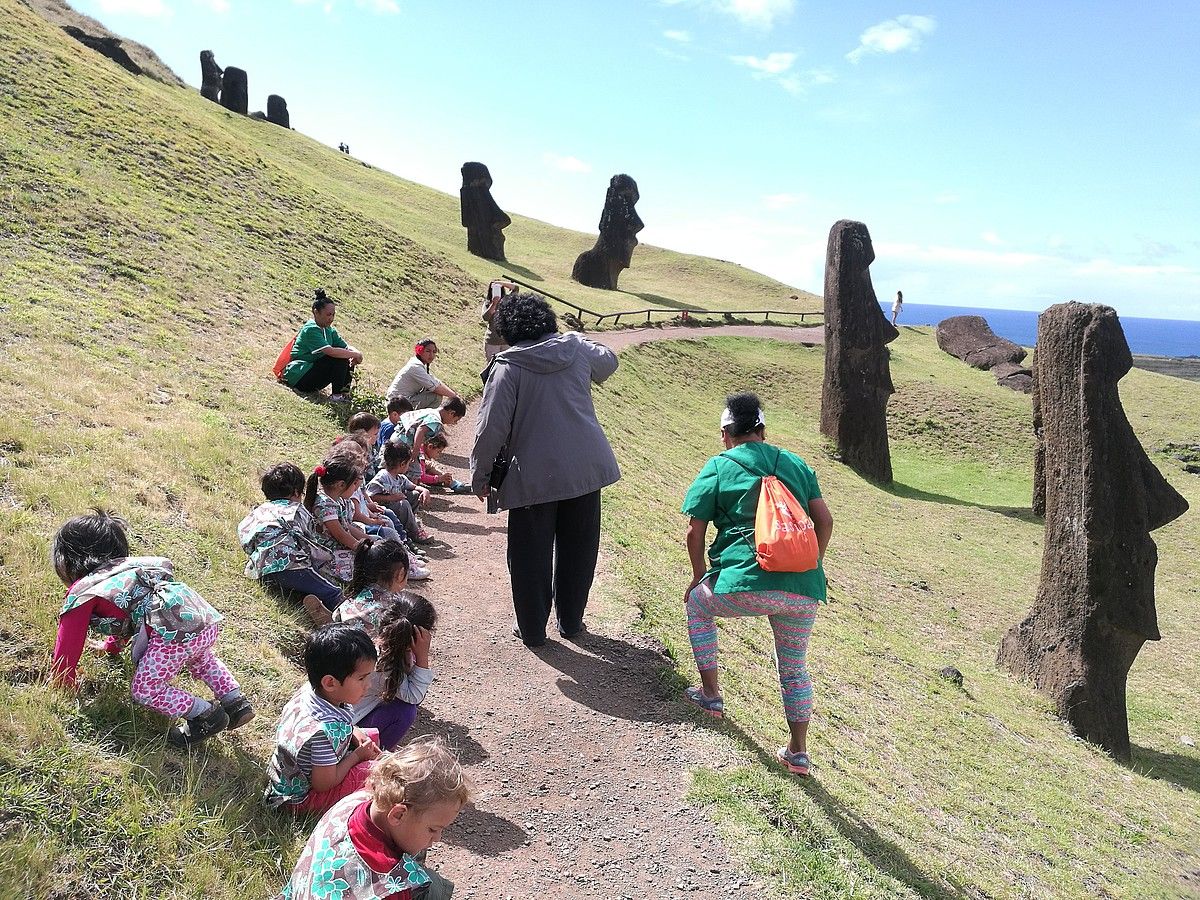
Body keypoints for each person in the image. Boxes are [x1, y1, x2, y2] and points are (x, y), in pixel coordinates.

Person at [680, 392, 834, 777]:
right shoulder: (795, 464)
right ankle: (798, 753)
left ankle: (711, 694)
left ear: (725, 434)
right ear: (763, 431)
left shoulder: (718, 466)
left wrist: (698, 576)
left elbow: (693, 532)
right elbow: (825, 521)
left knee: (698, 605)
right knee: (794, 667)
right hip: (802, 590)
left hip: (743, 585)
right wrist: (813, 563)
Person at [470, 291, 620, 648]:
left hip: (533, 477)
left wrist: (480, 474)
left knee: (529, 555)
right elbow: (609, 361)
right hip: (586, 468)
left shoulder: (508, 367)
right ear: (547, 321)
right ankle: (571, 622)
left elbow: (492, 426)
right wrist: (575, 337)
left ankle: (534, 630)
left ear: (508, 329)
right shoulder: (575, 349)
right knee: (580, 550)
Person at [50, 509, 253, 748]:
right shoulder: (132, 570)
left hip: (170, 635)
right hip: (200, 618)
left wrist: (62, 680)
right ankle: (235, 701)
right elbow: (127, 618)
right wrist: (110, 647)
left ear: (66, 560)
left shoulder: (84, 592)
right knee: (202, 659)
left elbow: (69, 644)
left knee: (145, 690)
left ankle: (205, 715)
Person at [278, 735, 470, 899]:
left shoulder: (355, 801)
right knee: (433, 888)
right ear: (398, 814)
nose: (437, 839)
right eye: (433, 829)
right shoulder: (391, 885)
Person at [263, 623, 383, 816]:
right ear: (330, 683)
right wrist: (356, 757)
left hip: (290, 774)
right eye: (361, 679)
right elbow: (324, 784)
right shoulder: (323, 733)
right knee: (374, 772)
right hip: (299, 801)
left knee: (370, 736)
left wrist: (354, 731)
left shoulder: (310, 692)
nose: (368, 685)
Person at [335, 539, 437, 749]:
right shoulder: (385, 652)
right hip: (345, 723)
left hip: (337, 679)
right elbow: (413, 696)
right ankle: (368, 762)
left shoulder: (349, 602)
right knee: (405, 709)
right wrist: (422, 657)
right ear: (400, 574)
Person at [238, 463, 344, 626]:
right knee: (333, 592)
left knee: (297, 584)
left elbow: (245, 539)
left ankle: (307, 601)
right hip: (294, 566)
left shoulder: (258, 512)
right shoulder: (297, 510)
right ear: (296, 492)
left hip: (262, 570)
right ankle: (343, 624)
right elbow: (309, 543)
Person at [281, 289, 364, 403]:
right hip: (300, 377)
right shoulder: (311, 329)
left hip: (313, 375)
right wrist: (355, 354)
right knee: (339, 357)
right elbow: (330, 351)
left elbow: (345, 347)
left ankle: (345, 394)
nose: (331, 318)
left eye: (333, 315)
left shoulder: (329, 329)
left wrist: (357, 353)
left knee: (347, 356)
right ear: (316, 312)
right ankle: (336, 396)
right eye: (328, 314)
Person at [303, 457, 367, 582]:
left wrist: (368, 540)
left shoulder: (336, 500)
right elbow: (340, 534)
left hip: (335, 549)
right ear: (341, 484)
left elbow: (346, 526)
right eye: (354, 484)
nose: (356, 488)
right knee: (365, 566)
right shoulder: (325, 504)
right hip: (326, 555)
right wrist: (361, 548)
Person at [367, 442, 433, 544]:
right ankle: (414, 532)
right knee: (404, 503)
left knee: (415, 494)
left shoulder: (400, 477)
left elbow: (414, 487)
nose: (408, 467)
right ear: (402, 464)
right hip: (384, 511)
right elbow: (371, 497)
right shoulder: (383, 477)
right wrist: (391, 498)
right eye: (408, 464)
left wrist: (425, 490)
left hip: (398, 509)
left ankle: (409, 524)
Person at [390, 398, 467, 482]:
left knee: (393, 465)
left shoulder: (431, 411)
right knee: (415, 471)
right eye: (455, 420)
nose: (454, 423)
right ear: (451, 413)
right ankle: (412, 490)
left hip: (396, 436)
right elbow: (420, 430)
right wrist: (416, 451)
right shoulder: (435, 420)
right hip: (404, 442)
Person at [387, 339, 461, 410]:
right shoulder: (415, 367)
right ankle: (425, 421)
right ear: (420, 351)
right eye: (428, 351)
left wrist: (455, 395)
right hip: (397, 404)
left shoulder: (419, 365)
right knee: (436, 396)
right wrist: (455, 398)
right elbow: (435, 388)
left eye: (434, 352)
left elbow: (436, 382)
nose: (431, 355)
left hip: (402, 401)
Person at [482, 280, 517, 360]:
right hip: (492, 341)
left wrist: (502, 283)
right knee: (491, 367)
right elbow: (485, 318)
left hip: (507, 341)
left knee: (506, 366)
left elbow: (516, 288)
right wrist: (494, 304)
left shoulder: (508, 300)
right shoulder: (488, 303)